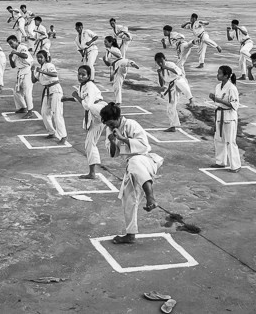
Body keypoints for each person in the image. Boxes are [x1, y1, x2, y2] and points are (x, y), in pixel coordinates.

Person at [100, 103, 164, 245]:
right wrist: (111, 141)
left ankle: (150, 197)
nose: (109, 127)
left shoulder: (131, 124)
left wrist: (123, 139)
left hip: (146, 160)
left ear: (118, 118)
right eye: (107, 125)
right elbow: (113, 154)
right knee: (128, 199)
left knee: (134, 161)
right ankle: (130, 235)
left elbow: (144, 146)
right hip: (131, 165)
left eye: (111, 123)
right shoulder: (109, 129)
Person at [68, 65, 107, 179]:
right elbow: (80, 98)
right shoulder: (83, 85)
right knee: (90, 142)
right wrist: (68, 98)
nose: (80, 76)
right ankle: (92, 172)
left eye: (83, 74)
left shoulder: (90, 86)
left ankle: (92, 173)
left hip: (98, 111)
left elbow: (87, 105)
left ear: (89, 76)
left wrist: (77, 97)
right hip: (93, 112)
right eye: (79, 74)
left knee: (90, 142)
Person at [209, 65, 240, 172]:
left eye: (220, 73)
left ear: (226, 76)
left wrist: (218, 100)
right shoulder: (218, 86)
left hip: (229, 117)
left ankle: (235, 165)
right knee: (218, 139)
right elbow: (218, 101)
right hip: (219, 115)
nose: (217, 75)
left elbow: (234, 105)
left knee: (230, 141)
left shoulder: (232, 88)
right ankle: (220, 162)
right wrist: (214, 99)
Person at [34, 50, 68, 144]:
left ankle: (63, 136)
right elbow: (33, 80)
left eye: (41, 57)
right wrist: (33, 70)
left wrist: (42, 71)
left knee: (57, 114)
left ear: (45, 58)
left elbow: (55, 74)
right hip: (47, 91)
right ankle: (51, 132)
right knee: (44, 112)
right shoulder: (39, 68)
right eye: (38, 57)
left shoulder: (49, 65)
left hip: (55, 89)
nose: (39, 59)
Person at [155, 52, 193, 132]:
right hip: (171, 87)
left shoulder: (170, 64)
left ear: (164, 59)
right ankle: (173, 126)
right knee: (170, 106)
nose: (160, 63)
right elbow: (162, 84)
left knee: (180, 83)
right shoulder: (160, 69)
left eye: (161, 60)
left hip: (179, 80)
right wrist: (159, 74)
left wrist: (166, 67)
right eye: (158, 62)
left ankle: (191, 100)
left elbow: (178, 72)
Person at [103, 36, 139, 105]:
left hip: (121, 64)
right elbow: (109, 64)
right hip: (116, 68)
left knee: (122, 61)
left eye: (106, 42)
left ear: (111, 42)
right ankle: (118, 102)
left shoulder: (115, 49)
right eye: (104, 42)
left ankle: (131, 63)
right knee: (116, 86)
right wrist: (105, 60)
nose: (105, 43)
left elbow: (119, 56)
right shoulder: (107, 51)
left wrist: (110, 50)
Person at [7, 34, 34, 117]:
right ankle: (23, 107)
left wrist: (16, 52)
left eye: (12, 43)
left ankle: (30, 111)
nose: (11, 45)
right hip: (20, 72)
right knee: (17, 91)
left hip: (27, 71)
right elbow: (13, 66)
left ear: (16, 41)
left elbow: (25, 56)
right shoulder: (15, 52)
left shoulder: (22, 47)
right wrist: (10, 57)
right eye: (9, 44)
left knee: (27, 92)